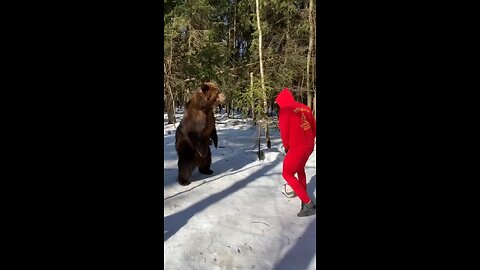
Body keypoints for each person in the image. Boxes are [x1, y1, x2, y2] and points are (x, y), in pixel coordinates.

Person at [275, 87, 316, 217]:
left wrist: (287, 147)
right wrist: (310, 139)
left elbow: (284, 132)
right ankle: (304, 200)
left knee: (287, 173)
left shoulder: (284, 111)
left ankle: (308, 204)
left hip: (297, 147)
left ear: (281, 101)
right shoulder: (306, 108)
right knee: (299, 169)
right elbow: (314, 127)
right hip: (309, 145)